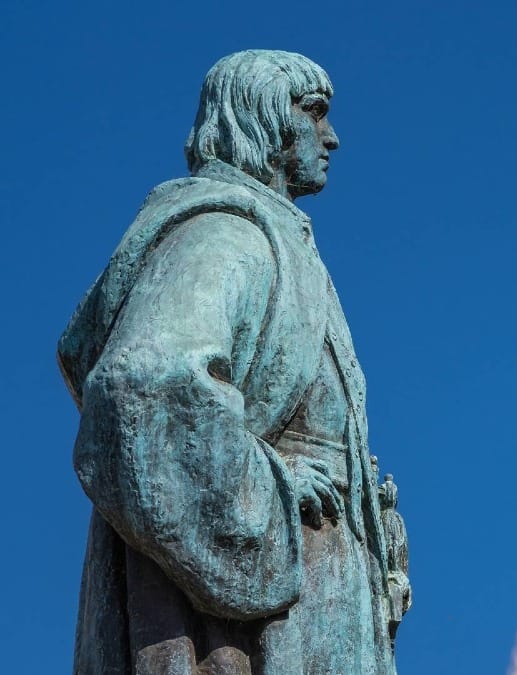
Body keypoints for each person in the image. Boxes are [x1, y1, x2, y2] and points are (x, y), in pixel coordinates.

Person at [58, 50, 410, 674]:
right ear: (266, 118)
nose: (332, 137)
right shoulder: (227, 233)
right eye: (315, 114)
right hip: (256, 618)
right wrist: (264, 485)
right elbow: (144, 381)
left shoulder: (279, 240)